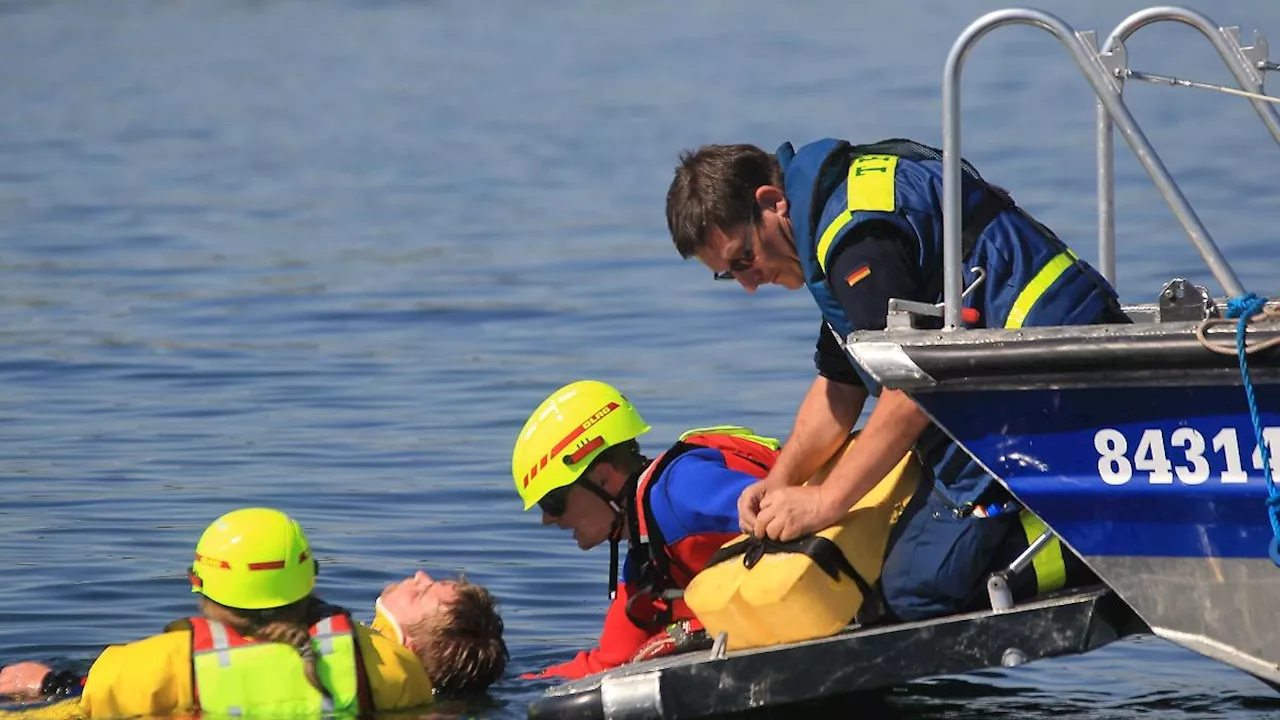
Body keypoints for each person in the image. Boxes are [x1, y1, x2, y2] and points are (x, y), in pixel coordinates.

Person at [665, 138, 1120, 622]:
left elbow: (911, 387)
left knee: (916, 589)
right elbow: (841, 386)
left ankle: (1098, 544)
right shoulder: (835, 217)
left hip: (1039, 384)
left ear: (771, 203)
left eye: (743, 260)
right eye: (728, 275)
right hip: (1014, 376)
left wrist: (825, 501)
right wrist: (779, 483)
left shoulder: (855, 243)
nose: (748, 284)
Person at [0, 507, 508, 718]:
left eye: (426, 591)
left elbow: (90, 703)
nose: (418, 575)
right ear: (309, 580)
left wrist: (50, 686)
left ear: (199, 584)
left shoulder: (157, 661)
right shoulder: (393, 675)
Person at [511, 379, 780, 680]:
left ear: (602, 478)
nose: (547, 518)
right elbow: (607, 664)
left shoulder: (681, 488)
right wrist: (513, 683)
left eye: (554, 501)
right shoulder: (644, 557)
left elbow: (786, 512)